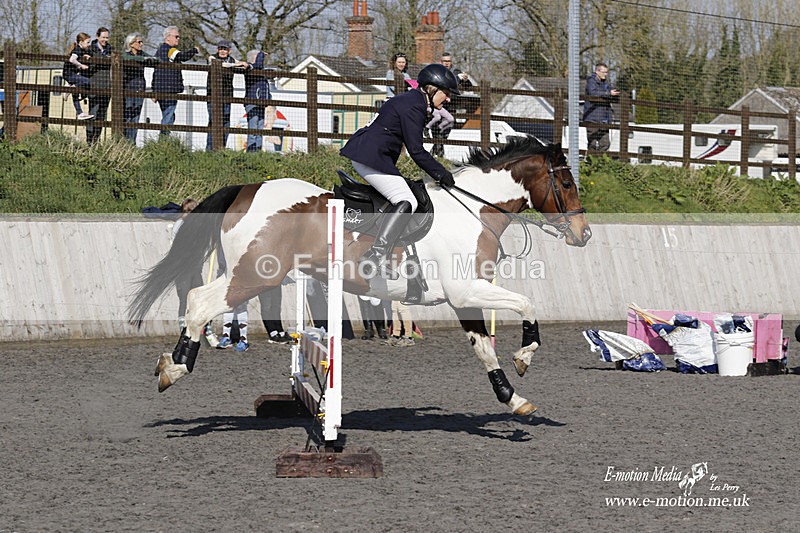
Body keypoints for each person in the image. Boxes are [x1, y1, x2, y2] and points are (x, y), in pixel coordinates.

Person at [340, 63, 458, 280]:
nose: (449, 99)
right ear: (432, 89)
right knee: (407, 201)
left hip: (372, 155)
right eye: (447, 93)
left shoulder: (412, 101)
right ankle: (376, 255)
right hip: (370, 158)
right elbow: (416, 151)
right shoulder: (415, 106)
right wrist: (442, 174)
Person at [172, 198, 219, 346]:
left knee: (200, 300)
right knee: (184, 299)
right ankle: (184, 332)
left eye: (191, 212)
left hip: (195, 269)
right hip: (182, 269)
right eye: (185, 211)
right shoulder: (180, 225)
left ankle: (208, 331)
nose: (188, 214)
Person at [152, 26, 200, 136]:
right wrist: (194, 50)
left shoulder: (160, 50)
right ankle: (163, 140)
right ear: (168, 37)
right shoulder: (169, 50)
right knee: (169, 116)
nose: (178, 39)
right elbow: (183, 56)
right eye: (176, 36)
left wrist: (154, 90)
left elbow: (155, 72)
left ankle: (164, 139)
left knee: (169, 115)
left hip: (161, 88)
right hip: (169, 89)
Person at [206, 39, 249, 151]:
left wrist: (245, 64)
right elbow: (222, 65)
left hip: (227, 95)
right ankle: (210, 149)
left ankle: (222, 148)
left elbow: (243, 65)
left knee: (225, 121)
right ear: (217, 49)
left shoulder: (233, 60)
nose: (222, 51)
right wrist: (236, 64)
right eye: (220, 48)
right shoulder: (212, 57)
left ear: (229, 51)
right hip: (212, 95)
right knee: (213, 121)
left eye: (225, 49)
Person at [432, 52, 472, 157]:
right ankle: (439, 155)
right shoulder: (436, 71)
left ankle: (435, 153)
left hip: (451, 105)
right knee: (436, 131)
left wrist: (465, 79)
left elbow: (468, 86)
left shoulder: (456, 72)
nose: (446, 63)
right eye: (444, 61)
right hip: (437, 105)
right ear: (441, 62)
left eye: (448, 61)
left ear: (451, 62)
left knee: (446, 130)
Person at [121, 32, 157, 142]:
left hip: (140, 88)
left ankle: (132, 142)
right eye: (139, 42)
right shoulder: (125, 54)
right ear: (131, 44)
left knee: (136, 118)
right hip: (128, 89)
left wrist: (149, 59)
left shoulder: (142, 53)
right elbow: (127, 58)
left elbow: (155, 59)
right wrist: (143, 59)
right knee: (127, 116)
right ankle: (125, 142)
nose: (141, 44)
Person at [583, 62, 620, 152]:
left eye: (606, 72)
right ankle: (591, 159)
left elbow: (611, 90)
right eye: (604, 72)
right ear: (597, 71)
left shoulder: (606, 83)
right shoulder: (591, 81)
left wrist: (614, 93)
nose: (605, 74)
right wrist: (608, 93)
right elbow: (593, 93)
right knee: (592, 143)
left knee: (605, 143)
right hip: (592, 117)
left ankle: (601, 159)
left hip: (604, 118)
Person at [85, 27, 112, 144]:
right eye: (103, 37)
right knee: (93, 114)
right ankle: (90, 142)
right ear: (97, 36)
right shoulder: (90, 49)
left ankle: (96, 141)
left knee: (102, 116)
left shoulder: (110, 50)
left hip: (107, 87)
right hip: (94, 87)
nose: (105, 40)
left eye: (107, 37)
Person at [243, 49, 271, 152]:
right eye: (258, 57)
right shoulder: (250, 68)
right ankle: (251, 152)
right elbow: (258, 65)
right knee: (253, 130)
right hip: (252, 102)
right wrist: (261, 54)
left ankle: (258, 152)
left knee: (259, 130)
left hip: (261, 103)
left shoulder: (260, 71)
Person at [62, 32, 94, 120]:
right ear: (81, 42)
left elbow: (79, 56)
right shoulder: (77, 49)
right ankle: (69, 89)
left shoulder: (81, 50)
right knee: (87, 81)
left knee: (75, 94)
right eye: (87, 42)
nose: (89, 44)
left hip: (70, 73)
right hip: (69, 74)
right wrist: (81, 65)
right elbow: (72, 60)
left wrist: (86, 55)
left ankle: (80, 113)